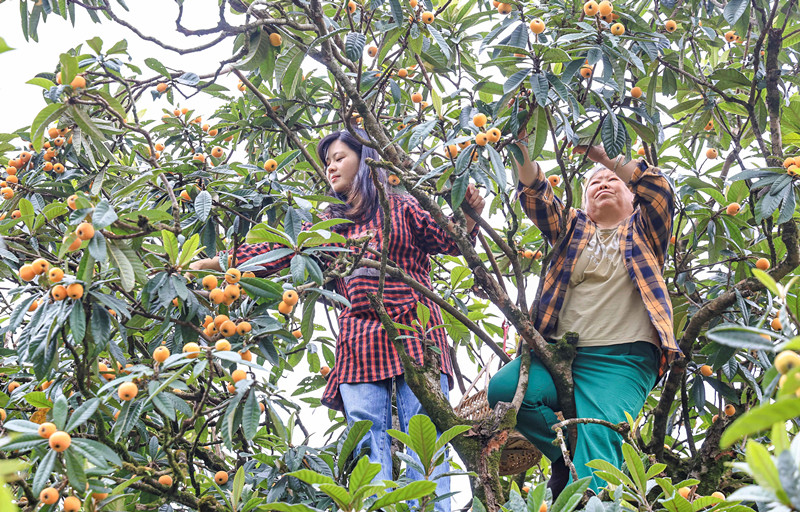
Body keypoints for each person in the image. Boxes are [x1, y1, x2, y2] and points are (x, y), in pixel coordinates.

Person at [190, 128, 485, 512]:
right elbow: (281, 250)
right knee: (365, 436)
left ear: (365, 162)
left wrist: (468, 210)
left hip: (415, 330)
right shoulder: (328, 222)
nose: (331, 166)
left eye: (340, 157)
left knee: (424, 434)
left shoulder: (402, 206)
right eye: (328, 160)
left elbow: (448, 239)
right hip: (360, 337)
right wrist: (217, 263)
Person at [487, 139, 681, 496]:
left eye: (613, 180)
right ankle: (564, 455)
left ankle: (591, 491)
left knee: (600, 441)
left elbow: (659, 192)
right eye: (594, 182)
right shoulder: (572, 228)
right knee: (504, 390)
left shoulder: (645, 231)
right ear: (585, 198)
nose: (603, 184)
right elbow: (536, 197)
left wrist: (606, 156)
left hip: (623, 361)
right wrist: (522, 150)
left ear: (630, 193)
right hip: (562, 355)